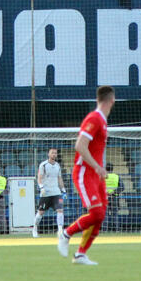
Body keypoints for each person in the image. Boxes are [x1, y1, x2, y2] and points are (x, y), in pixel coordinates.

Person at [57, 85, 115, 265]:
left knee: (101, 214)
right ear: (112, 100)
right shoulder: (94, 118)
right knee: (96, 212)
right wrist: (98, 167)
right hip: (85, 172)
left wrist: (99, 169)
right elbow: (80, 146)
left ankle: (81, 254)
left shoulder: (103, 120)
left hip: (96, 174)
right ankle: (66, 233)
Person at [33, 148, 66, 238]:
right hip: (46, 193)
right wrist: (41, 187)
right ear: (48, 154)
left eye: (55, 153)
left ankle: (60, 231)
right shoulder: (43, 165)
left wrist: (63, 189)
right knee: (41, 212)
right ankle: (35, 228)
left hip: (56, 192)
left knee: (60, 210)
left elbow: (59, 178)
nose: (54, 154)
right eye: (52, 153)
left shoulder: (58, 166)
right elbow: (39, 177)